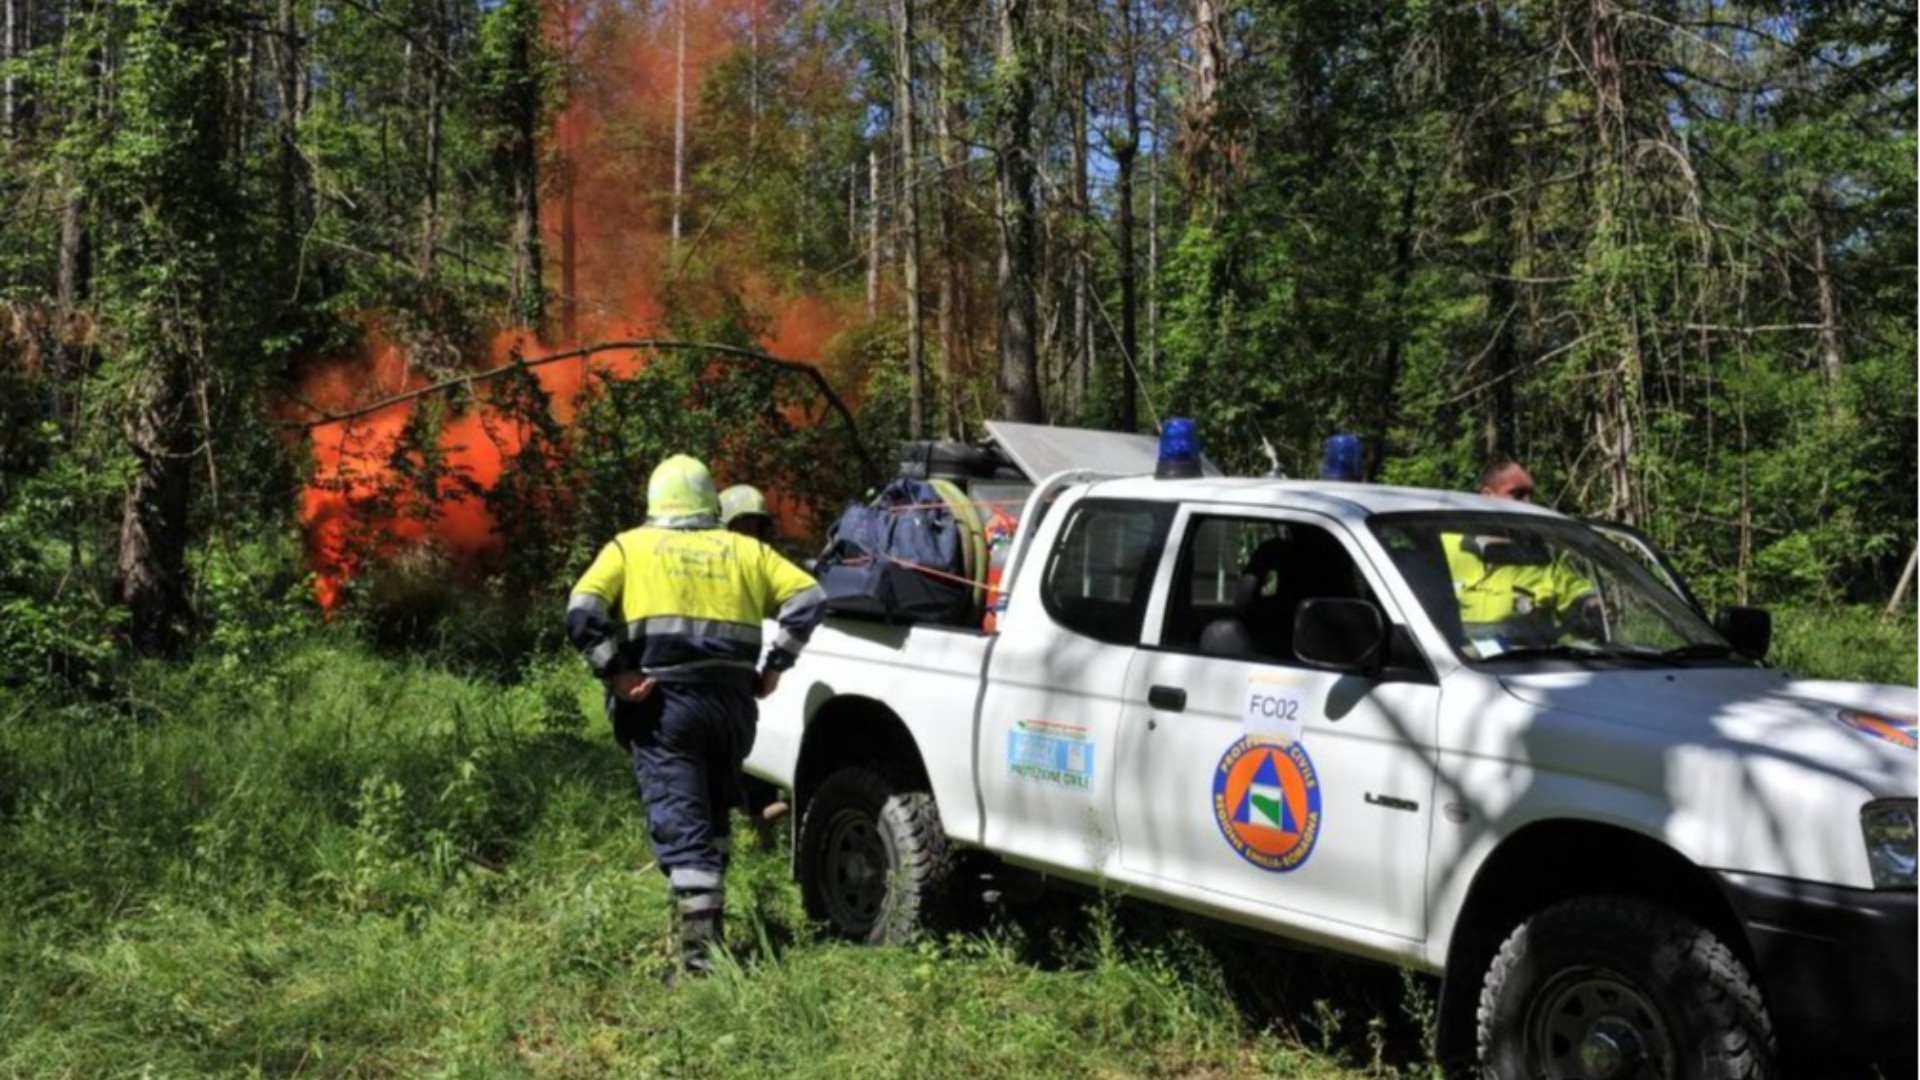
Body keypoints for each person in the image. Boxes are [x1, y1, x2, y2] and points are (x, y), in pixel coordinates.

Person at [566, 455, 826, 980]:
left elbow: (581, 613)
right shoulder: (745, 549)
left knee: (683, 831)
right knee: (712, 818)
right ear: (712, 503)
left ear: (654, 501)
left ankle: (698, 965)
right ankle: (709, 930)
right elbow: (810, 597)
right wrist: (776, 665)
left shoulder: (629, 547)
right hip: (732, 709)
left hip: (665, 708)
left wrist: (616, 674)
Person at [1443, 459, 1600, 653]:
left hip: (1526, 670)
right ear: (1486, 496)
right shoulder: (1446, 545)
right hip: (1455, 669)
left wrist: (1591, 606)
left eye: (1530, 495)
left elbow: (1574, 592)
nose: (1528, 504)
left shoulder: (1541, 555)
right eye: (1517, 495)